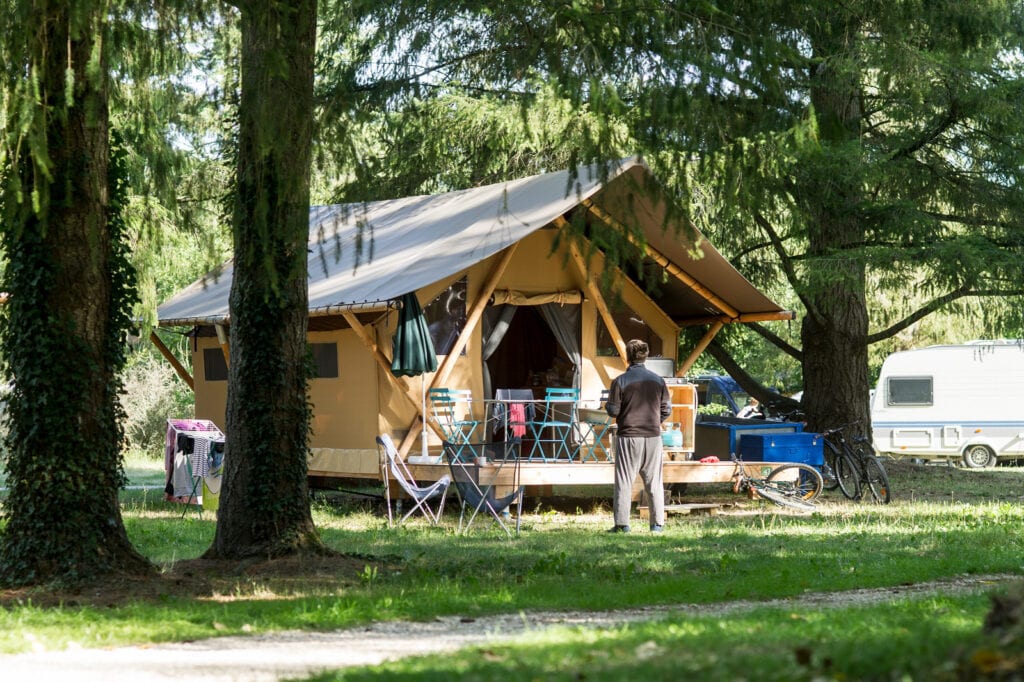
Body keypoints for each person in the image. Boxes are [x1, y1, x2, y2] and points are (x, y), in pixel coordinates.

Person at [605, 339, 672, 533]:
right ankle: (657, 524)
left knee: (625, 481)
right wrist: (654, 421)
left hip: (629, 436)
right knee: (654, 482)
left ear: (627, 356)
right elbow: (666, 409)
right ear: (646, 356)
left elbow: (613, 410)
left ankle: (622, 524)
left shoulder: (620, 381)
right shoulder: (659, 381)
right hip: (653, 437)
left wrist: (608, 405)